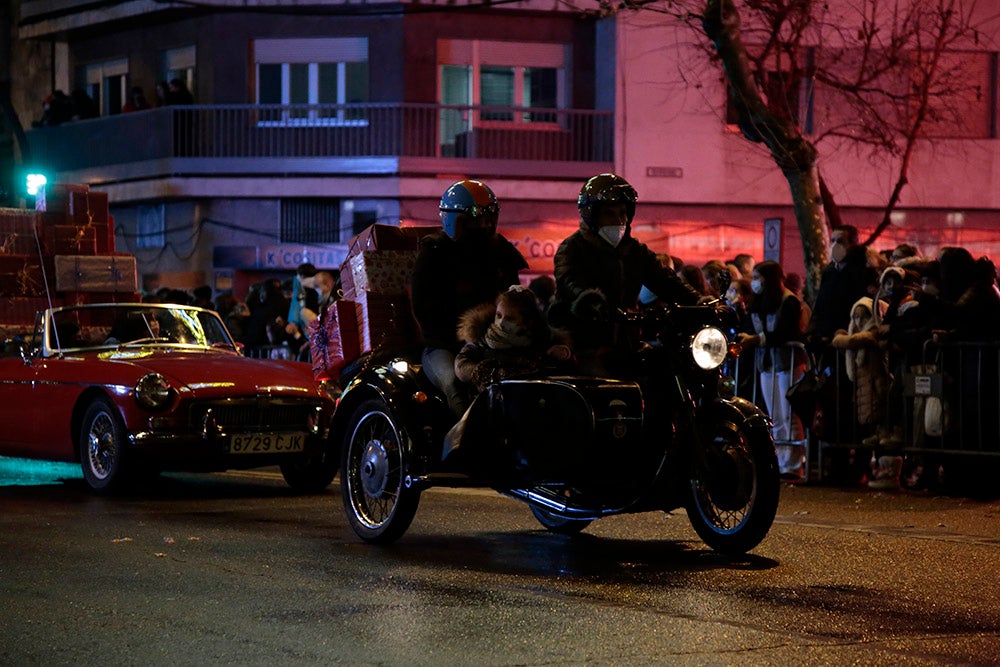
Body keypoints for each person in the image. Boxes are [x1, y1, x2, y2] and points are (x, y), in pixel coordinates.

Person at [550, 173, 701, 375]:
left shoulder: (635, 251)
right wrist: (590, 302)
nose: (619, 220)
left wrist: (701, 302)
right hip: (583, 343)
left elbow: (666, 280)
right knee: (600, 386)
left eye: (623, 212)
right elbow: (569, 281)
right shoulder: (571, 249)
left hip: (628, 343)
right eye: (609, 214)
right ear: (592, 216)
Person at [411, 179, 528, 416]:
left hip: (495, 343)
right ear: (458, 220)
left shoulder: (500, 251)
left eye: (490, 217)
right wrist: (468, 332)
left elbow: (515, 300)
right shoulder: (435, 252)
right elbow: (424, 309)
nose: (485, 225)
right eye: (477, 219)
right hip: (443, 347)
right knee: (455, 385)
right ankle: (461, 448)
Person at [736, 260, 807, 478]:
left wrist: (757, 339)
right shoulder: (760, 302)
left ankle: (793, 464)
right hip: (767, 364)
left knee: (789, 413)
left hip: (788, 364)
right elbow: (750, 325)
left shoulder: (789, 301)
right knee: (775, 414)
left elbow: (787, 332)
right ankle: (782, 462)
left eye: (759, 278)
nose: (755, 283)